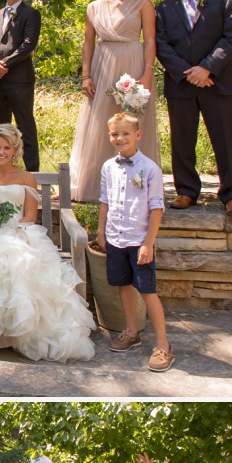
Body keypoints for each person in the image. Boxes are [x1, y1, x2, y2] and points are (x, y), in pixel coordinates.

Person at [0, 124, 96, 361]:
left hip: (19, 231)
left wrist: (8, 230)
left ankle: (20, 333)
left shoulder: (25, 177)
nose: (1, 152)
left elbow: (30, 217)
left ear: (15, 150)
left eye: (7, 148)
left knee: (21, 263)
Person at [155, 0, 232, 214]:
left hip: (217, 82)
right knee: (182, 140)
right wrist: (187, 72)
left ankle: (231, 195)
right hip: (181, 83)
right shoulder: (164, 7)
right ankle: (186, 191)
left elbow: (231, 37)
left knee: (224, 140)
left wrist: (206, 69)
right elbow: (162, 44)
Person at [69, 0, 159, 201]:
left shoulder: (143, 4)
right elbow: (88, 43)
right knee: (99, 123)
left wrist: (148, 72)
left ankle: (136, 185)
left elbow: (150, 40)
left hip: (133, 64)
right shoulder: (93, 7)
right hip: (103, 65)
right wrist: (86, 75)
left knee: (132, 123)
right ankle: (93, 185)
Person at [97, 112, 173, 371]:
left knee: (147, 290)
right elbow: (104, 200)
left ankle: (163, 345)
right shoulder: (108, 167)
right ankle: (131, 332)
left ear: (137, 135)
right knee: (123, 285)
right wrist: (101, 231)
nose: (120, 138)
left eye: (125, 133)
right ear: (110, 136)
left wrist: (147, 243)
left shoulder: (150, 169)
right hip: (116, 237)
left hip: (138, 239)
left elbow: (156, 208)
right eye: (115, 134)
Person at [0, 0, 42, 171]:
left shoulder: (31, 14)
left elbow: (28, 45)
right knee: (0, 127)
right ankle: (3, 170)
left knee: (25, 125)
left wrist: (5, 64)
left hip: (20, 80)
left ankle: (32, 173)